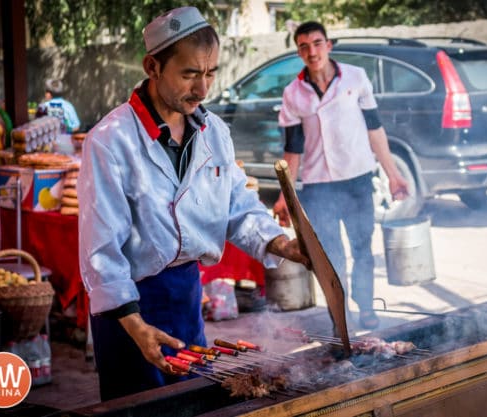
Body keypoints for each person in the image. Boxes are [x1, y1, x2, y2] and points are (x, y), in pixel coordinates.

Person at [77, 7, 308, 401]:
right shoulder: (110, 140)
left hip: (185, 296)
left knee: (190, 404)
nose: (203, 89)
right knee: (139, 409)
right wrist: (133, 323)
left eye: (211, 72)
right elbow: (101, 249)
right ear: (153, 66)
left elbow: (237, 204)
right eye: (189, 74)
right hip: (130, 306)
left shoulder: (214, 132)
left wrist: (281, 244)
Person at [272, 21, 409, 331]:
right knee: (331, 256)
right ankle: (339, 315)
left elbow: (375, 130)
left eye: (317, 43)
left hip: (357, 179)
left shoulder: (356, 78)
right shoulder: (294, 93)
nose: (312, 51)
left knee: (362, 247)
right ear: (299, 52)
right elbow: (292, 149)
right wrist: (285, 195)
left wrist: (393, 175)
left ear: (329, 45)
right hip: (319, 186)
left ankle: (366, 306)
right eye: (304, 46)